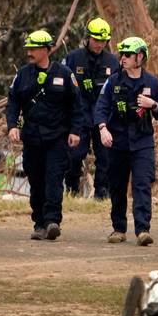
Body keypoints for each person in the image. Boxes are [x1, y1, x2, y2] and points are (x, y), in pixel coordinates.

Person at [6, 29, 87, 241]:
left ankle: (52, 221)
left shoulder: (64, 73)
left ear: (46, 50)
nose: (29, 52)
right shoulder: (23, 74)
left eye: (33, 48)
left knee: (53, 179)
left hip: (57, 138)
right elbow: (13, 102)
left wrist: (75, 131)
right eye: (28, 48)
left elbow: (76, 105)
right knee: (36, 180)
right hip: (32, 138)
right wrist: (12, 126)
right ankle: (39, 222)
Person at [93, 37, 158, 246]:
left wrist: (153, 104)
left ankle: (143, 229)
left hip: (142, 142)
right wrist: (102, 129)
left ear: (140, 56)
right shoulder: (114, 81)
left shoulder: (152, 82)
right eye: (122, 54)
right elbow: (100, 107)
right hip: (117, 142)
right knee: (117, 186)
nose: (123, 58)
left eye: (127, 54)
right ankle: (118, 228)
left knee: (142, 184)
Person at [63, 18, 118, 199]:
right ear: (88, 38)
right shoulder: (73, 58)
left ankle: (102, 194)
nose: (99, 44)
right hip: (79, 117)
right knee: (74, 156)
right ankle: (72, 189)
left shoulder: (112, 62)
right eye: (96, 40)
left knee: (106, 159)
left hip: (103, 118)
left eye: (103, 41)